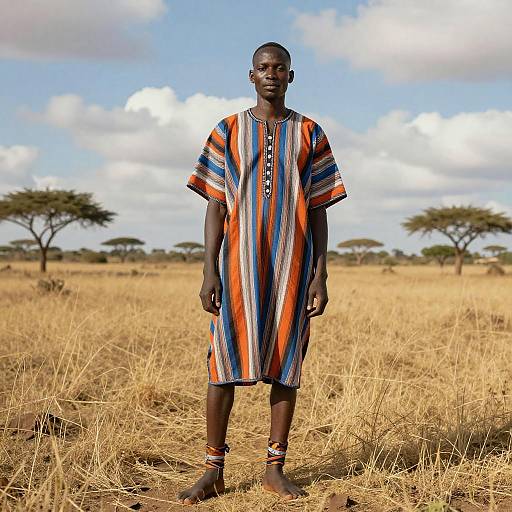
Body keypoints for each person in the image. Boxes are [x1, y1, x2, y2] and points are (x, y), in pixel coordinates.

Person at [179, 41, 347, 505]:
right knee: (223, 364)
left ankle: (275, 469)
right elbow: (215, 205)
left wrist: (320, 273)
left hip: (293, 265)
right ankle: (213, 469)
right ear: (250, 76)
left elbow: (318, 209)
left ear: (291, 77)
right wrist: (209, 269)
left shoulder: (310, 133)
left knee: (286, 364)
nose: (271, 74)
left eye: (280, 68)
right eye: (263, 67)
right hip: (237, 266)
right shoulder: (227, 130)